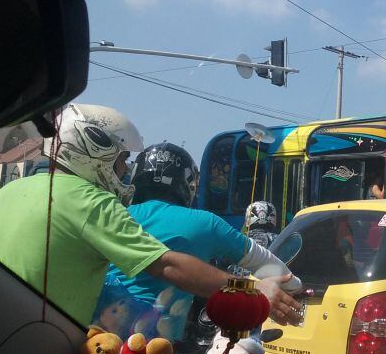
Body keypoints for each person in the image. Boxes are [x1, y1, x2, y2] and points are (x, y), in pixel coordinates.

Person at [0, 104, 300, 328]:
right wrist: (252, 290)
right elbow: (169, 265)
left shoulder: (6, 192)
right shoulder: (91, 202)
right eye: (121, 160)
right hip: (42, 347)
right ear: (94, 152)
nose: (123, 171)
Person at [94, 143, 302, 340]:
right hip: (156, 351)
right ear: (188, 184)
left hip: (94, 340)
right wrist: (293, 287)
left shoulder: (112, 215)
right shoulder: (206, 223)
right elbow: (270, 265)